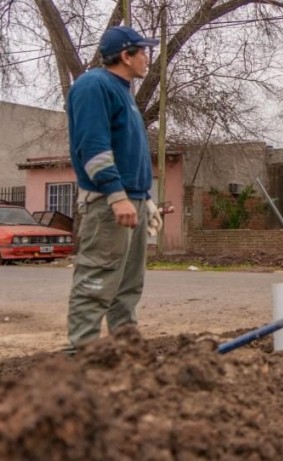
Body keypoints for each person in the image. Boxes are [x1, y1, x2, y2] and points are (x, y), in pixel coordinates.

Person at [65, 26, 164, 354]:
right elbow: (92, 147)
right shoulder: (94, 85)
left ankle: (126, 351)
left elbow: (127, 152)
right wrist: (117, 195)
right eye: (143, 51)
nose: (147, 58)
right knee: (96, 281)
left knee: (126, 287)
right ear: (126, 55)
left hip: (129, 200)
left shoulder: (123, 93)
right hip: (108, 204)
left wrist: (144, 199)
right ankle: (84, 356)